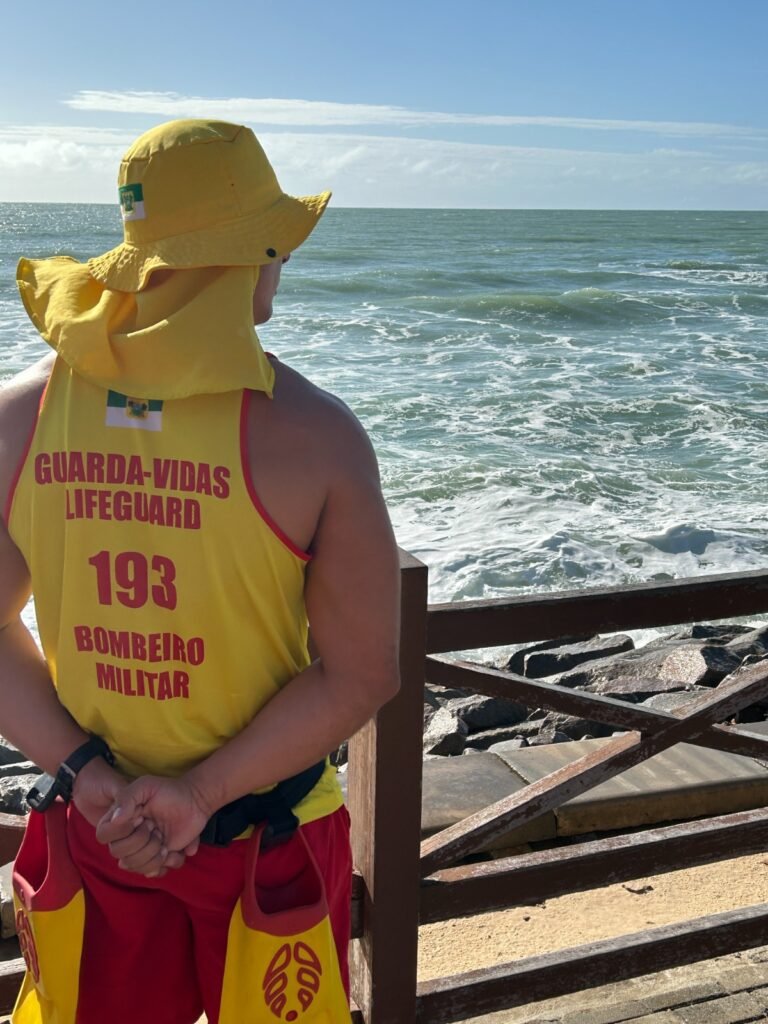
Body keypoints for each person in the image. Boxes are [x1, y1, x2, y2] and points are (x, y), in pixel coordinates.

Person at [0, 119, 401, 1023]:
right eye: (276, 244)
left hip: (97, 829)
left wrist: (92, 778)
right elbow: (364, 671)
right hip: (268, 832)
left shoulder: (19, 416)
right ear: (249, 253)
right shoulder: (317, 435)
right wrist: (195, 796)